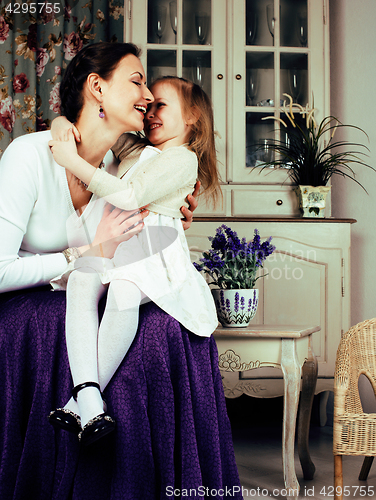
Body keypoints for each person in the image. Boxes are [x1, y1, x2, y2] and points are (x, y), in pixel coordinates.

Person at [0, 42, 242, 499]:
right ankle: (84, 415)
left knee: (160, 329)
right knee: (123, 314)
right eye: (136, 81)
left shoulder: (124, 162)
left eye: (151, 89)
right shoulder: (30, 156)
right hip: (35, 294)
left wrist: (167, 212)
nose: (147, 95)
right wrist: (88, 251)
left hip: (110, 273)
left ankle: (137, 465)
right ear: (97, 87)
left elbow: (145, 194)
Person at [47, 75, 222, 446]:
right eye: (149, 104)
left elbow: (129, 194)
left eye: (162, 105)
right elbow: (95, 126)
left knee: (125, 289)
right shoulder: (135, 146)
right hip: (117, 241)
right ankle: (89, 398)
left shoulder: (183, 158)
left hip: (153, 251)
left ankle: (79, 402)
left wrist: (70, 161)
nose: (151, 111)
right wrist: (62, 124)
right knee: (80, 279)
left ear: (192, 117)